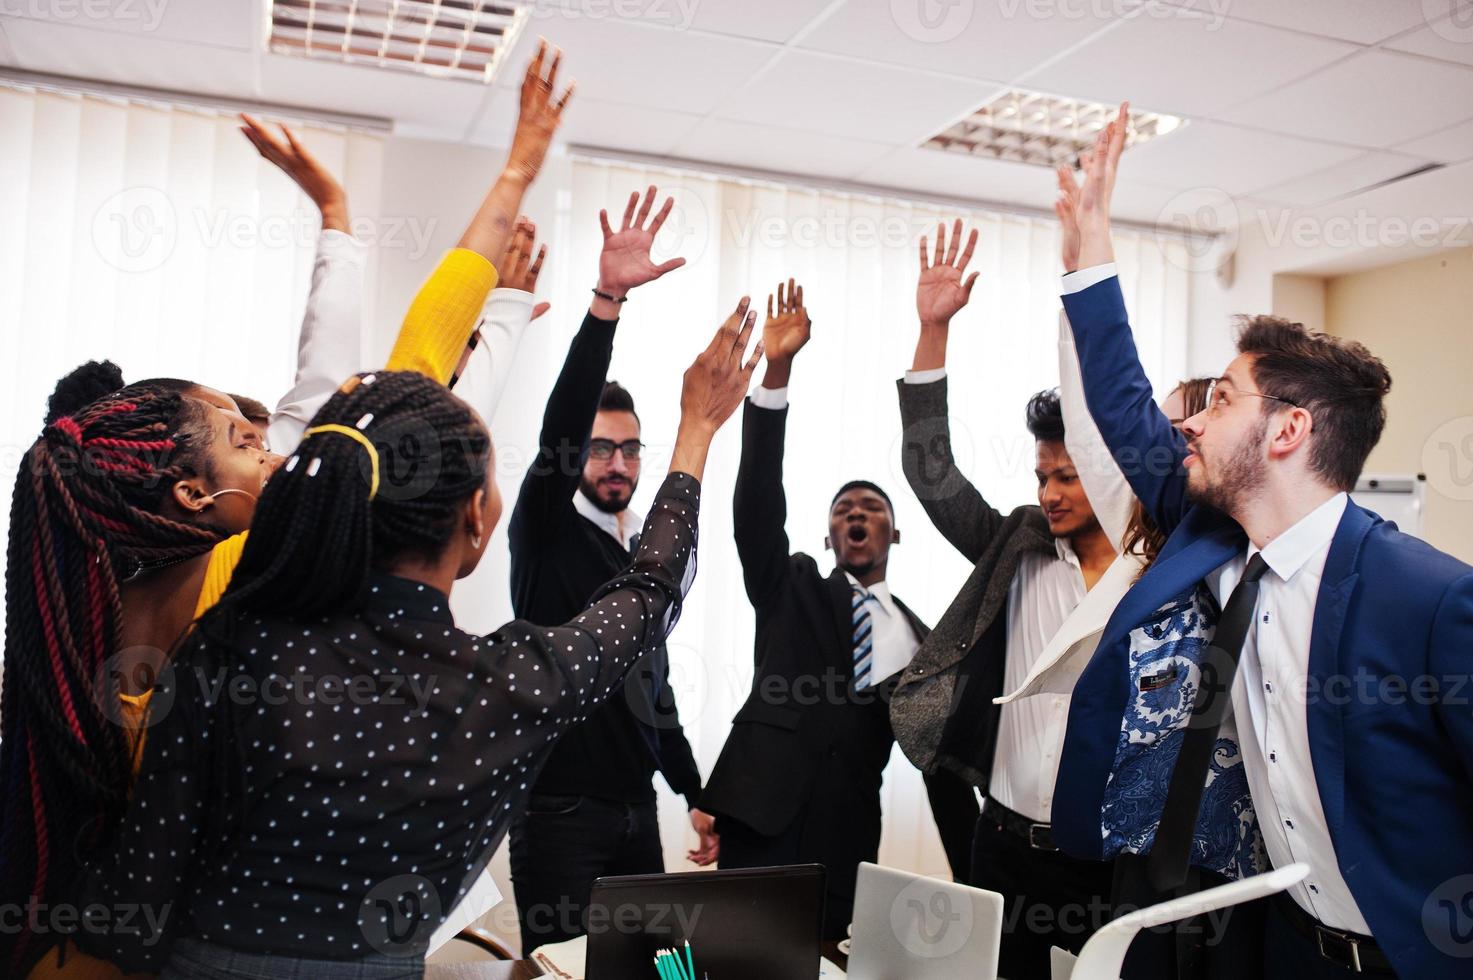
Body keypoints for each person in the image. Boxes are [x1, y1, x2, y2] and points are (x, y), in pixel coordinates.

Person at [1, 44, 571, 979]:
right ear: (193, 496)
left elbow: (384, 373)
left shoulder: (166, 582)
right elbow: (405, 369)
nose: (276, 439)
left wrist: (354, 217)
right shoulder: (218, 606)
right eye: (241, 436)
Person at [74, 305, 762, 977]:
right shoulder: (505, 684)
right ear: (473, 518)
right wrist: (696, 430)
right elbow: (650, 591)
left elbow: (139, 897)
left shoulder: (224, 644)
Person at [1052, 104, 1473, 980]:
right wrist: (1089, 256)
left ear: (1285, 432)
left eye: (1220, 401)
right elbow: (1126, 406)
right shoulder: (1212, 531)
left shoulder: (1428, 596)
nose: (1192, 423)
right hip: (1280, 946)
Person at [697, 279, 979, 941]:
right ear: (827, 537)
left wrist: (981, 888)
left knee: (825, 963)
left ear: (894, 533)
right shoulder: (789, 584)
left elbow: (938, 766)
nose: (856, 514)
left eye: (872, 508)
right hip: (758, 817)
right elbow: (756, 508)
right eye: (842, 510)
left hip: (846, 839)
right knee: (736, 963)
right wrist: (778, 372)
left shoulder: (926, 641)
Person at [888, 220, 1120, 978]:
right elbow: (931, 474)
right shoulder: (1014, 547)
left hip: (1108, 856)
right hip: (1004, 845)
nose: (1048, 494)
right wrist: (932, 331)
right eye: (1041, 477)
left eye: (1066, 477)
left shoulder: (1156, 572)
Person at [505, 186, 717, 954]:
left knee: (660, 974)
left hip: (635, 810)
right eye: (601, 448)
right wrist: (605, 307)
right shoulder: (546, 531)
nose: (618, 463)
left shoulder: (637, 559)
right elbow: (560, 425)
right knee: (561, 972)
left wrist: (694, 791)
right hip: (558, 812)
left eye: (630, 449)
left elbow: (649, 686)